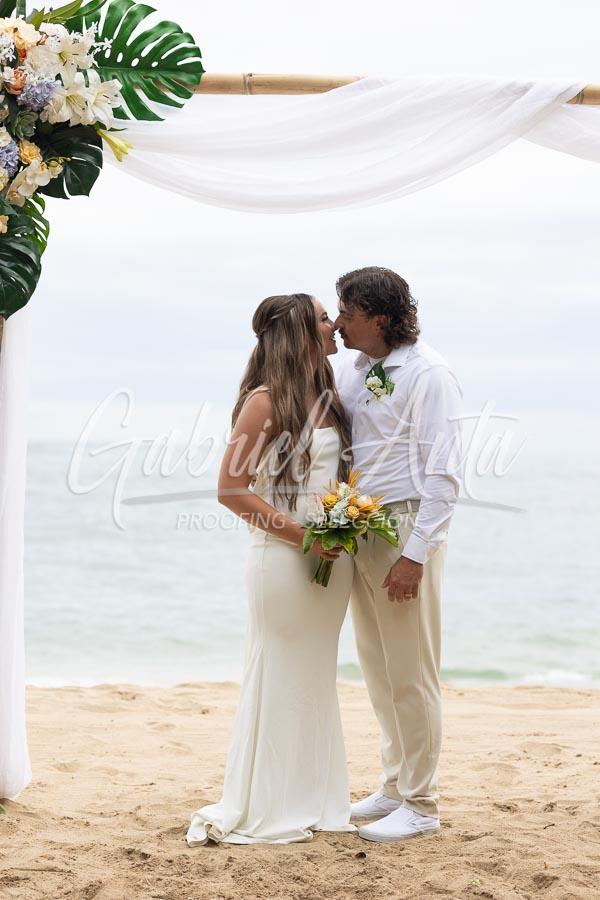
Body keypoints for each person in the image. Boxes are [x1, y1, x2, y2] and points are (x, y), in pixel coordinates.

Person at [186, 293, 356, 846]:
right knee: (280, 672)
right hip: (283, 561)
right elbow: (231, 491)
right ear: (302, 332)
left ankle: (313, 799)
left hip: (334, 561)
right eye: (325, 318)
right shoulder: (264, 402)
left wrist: (341, 527)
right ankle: (267, 805)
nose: (335, 324)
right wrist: (305, 538)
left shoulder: (329, 396)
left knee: (315, 676)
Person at [333, 266, 463, 843]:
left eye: (348, 312)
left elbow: (444, 473)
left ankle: (421, 803)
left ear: (380, 318)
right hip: (360, 525)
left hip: (403, 527)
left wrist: (415, 554)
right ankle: (393, 785)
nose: (339, 322)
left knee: (411, 672)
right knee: (379, 668)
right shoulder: (355, 368)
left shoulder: (429, 374)